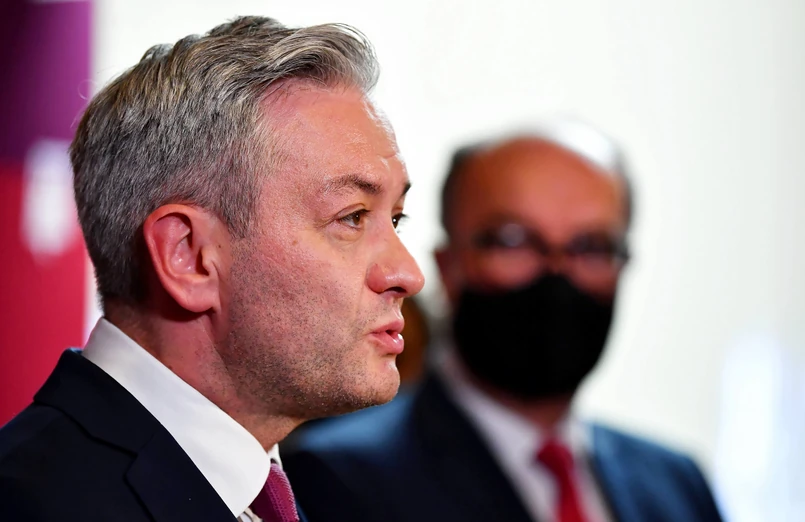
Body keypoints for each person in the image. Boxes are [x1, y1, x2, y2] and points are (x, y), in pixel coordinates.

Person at [0, 16, 424, 522]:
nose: (408, 274)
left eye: (395, 219)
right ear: (189, 256)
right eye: (352, 217)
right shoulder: (31, 504)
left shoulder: (267, 492)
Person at [284, 121, 725, 522]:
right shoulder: (337, 479)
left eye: (591, 246)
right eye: (514, 241)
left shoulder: (677, 483)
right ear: (448, 266)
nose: (557, 274)